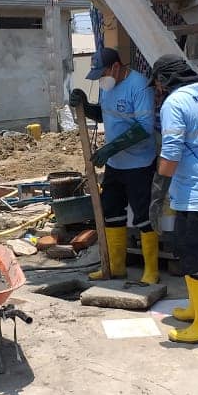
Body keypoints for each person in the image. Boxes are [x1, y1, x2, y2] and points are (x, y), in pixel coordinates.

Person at [149, 54, 198, 345]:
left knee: (197, 255)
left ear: (164, 80)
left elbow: (171, 152)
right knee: (187, 248)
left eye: (157, 84)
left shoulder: (174, 103)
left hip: (195, 189)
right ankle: (197, 309)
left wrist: (158, 188)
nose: (157, 89)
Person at [69, 46, 159, 284]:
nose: (101, 79)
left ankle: (151, 271)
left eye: (103, 73)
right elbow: (105, 114)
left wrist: (110, 148)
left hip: (140, 163)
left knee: (144, 216)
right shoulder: (107, 86)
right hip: (115, 164)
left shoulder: (140, 86)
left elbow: (144, 127)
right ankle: (116, 267)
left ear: (116, 67)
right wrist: (85, 105)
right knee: (111, 212)